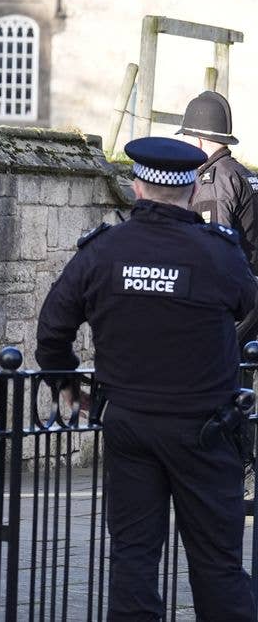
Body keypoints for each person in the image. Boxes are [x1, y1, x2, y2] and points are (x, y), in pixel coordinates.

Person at [36, 136, 258, 621]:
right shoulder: (218, 253)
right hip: (205, 429)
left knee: (133, 558)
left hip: (129, 425)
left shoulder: (103, 251)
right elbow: (248, 304)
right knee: (218, 565)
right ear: (188, 190)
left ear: (137, 186)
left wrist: (66, 385)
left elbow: (53, 327)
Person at [178, 90, 258, 347]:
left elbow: (213, 253)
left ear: (198, 142)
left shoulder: (213, 182)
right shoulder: (243, 174)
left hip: (233, 300)